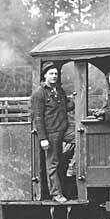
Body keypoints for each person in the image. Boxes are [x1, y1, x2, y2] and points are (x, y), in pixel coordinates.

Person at [30, 61, 74, 202]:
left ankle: (72, 165)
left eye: (56, 73)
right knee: (53, 164)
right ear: (45, 76)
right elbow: (37, 117)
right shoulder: (39, 94)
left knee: (81, 138)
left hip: (64, 129)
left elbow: (67, 106)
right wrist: (43, 138)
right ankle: (56, 194)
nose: (54, 76)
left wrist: (74, 99)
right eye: (51, 74)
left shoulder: (59, 90)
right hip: (51, 133)